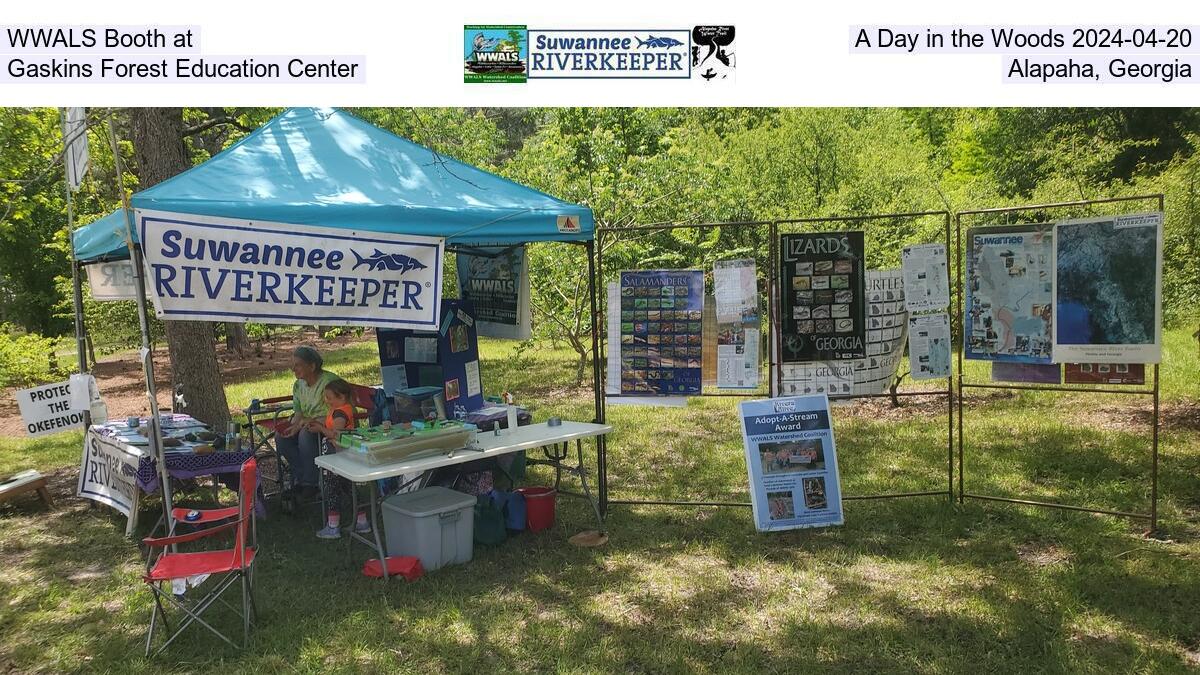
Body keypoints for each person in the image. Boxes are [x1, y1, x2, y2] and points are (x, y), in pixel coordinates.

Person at [307, 378, 369, 539]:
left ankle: (333, 525)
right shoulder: (343, 409)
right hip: (342, 455)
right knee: (349, 486)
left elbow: (336, 433)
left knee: (332, 488)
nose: (326, 401)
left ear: (341, 397)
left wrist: (320, 428)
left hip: (336, 456)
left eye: (329, 397)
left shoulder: (341, 412)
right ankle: (362, 521)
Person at [276, 346, 339, 500]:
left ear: (312, 366)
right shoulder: (298, 385)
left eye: (298, 365)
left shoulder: (329, 383)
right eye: (293, 364)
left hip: (331, 425)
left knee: (306, 433)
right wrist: (293, 426)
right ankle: (303, 479)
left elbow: (338, 412)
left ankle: (310, 484)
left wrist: (306, 423)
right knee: (281, 437)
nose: (293, 369)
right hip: (308, 423)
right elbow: (299, 413)